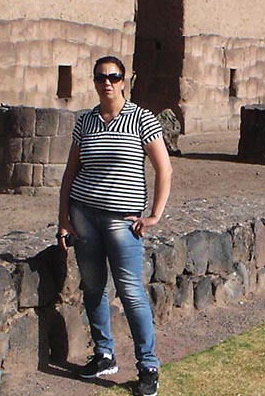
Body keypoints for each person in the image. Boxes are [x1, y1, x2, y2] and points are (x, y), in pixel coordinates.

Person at [58, 56, 173, 396]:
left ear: (124, 80)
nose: (106, 82)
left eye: (113, 76)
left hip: (122, 220)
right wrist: (63, 218)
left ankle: (148, 366)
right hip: (83, 215)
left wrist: (154, 214)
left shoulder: (142, 119)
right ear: (93, 82)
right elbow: (70, 173)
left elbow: (164, 169)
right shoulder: (86, 121)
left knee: (130, 292)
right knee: (93, 288)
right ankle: (104, 354)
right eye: (100, 77)